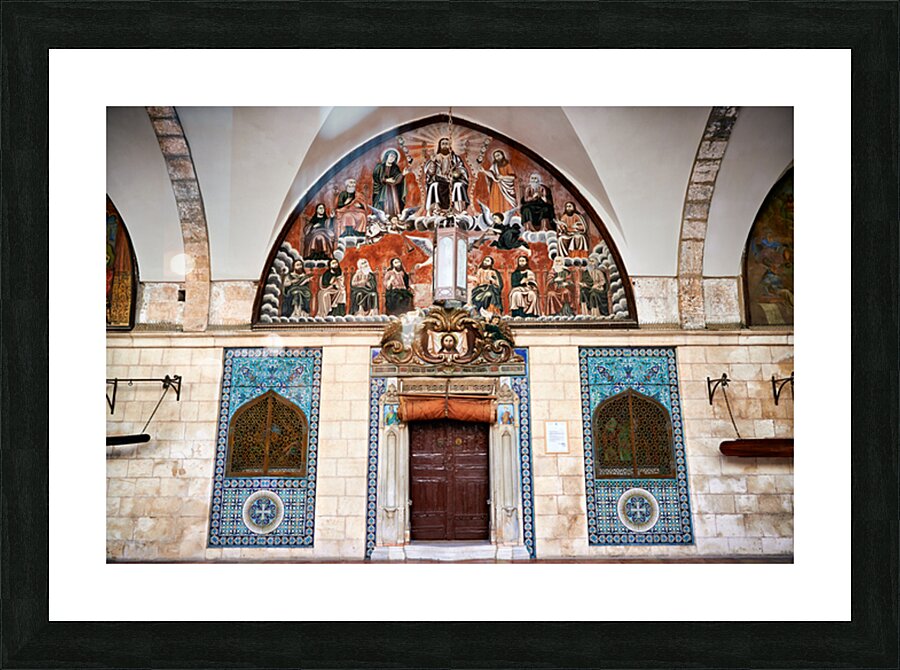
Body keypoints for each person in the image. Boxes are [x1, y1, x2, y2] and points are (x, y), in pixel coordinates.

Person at [424, 137, 469, 214]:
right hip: (440, 180)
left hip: (453, 180)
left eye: (447, 144)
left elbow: (462, 169)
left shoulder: (455, 158)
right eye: (443, 144)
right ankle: (436, 209)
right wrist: (433, 162)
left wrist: (456, 173)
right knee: (434, 185)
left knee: (458, 185)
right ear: (440, 146)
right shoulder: (435, 158)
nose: (445, 146)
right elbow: (430, 173)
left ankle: (459, 209)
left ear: (450, 145)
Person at [372, 149, 408, 217]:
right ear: (387, 156)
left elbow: (397, 179)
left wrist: (403, 174)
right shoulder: (379, 167)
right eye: (391, 156)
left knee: (393, 204)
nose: (392, 158)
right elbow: (376, 177)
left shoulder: (395, 168)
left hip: (393, 190)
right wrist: (385, 180)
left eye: (394, 157)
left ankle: (394, 217)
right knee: (382, 204)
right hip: (382, 190)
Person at [482, 149, 517, 214]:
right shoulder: (494, 166)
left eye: (498, 155)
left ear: (502, 155)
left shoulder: (507, 165)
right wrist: (484, 171)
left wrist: (503, 177)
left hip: (506, 187)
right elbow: (491, 174)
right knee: (496, 200)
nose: (497, 157)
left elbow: (513, 177)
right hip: (496, 186)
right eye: (495, 156)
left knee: (506, 202)